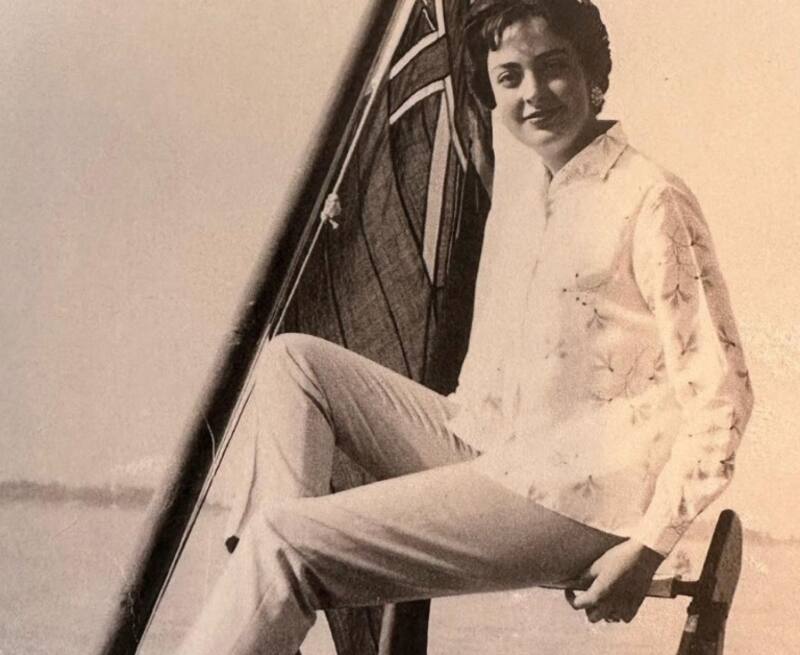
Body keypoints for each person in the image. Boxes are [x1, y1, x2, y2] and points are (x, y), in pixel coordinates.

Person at [178, 1, 753, 652]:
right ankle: (265, 600)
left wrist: (647, 547)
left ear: (594, 77)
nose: (533, 93)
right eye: (510, 77)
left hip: (581, 497)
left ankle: (269, 582)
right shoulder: (529, 198)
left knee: (284, 540)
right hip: (498, 452)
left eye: (553, 68)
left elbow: (723, 394)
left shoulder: (650, 198)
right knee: (294, 362)